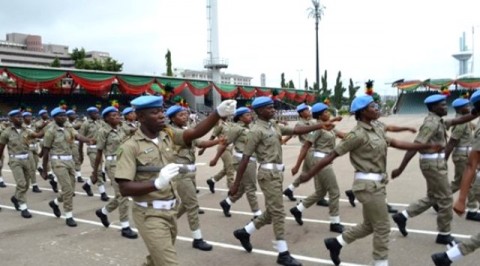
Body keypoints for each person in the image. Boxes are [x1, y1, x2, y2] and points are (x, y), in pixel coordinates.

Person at [297, 95, 442, 266]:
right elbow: (331, 155)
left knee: (369, 225)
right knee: (383, 227)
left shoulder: (377, 128)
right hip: (367, 186)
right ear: (363, 112)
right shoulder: (357, 135)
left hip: (378, 184)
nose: (377, 108)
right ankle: (380, 262)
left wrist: (424, 146)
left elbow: (395, 142)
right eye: (373, 106)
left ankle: (336, 243)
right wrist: (307, 174)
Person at [115, 95, 236, 265]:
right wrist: (156, 184)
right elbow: (124, 188)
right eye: (155, 112)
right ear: (141, 117)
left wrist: (217, 112)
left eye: (161, 111)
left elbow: (194, 133)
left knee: (155, 260)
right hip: (149, 214)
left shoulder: (168, 134)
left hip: (170, 211)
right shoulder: (130, 146)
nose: (161, 115)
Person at [229, 96, 335, 266]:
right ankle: (282, 253)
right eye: (269, 107)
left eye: (273, 107)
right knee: (278, 213)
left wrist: (321, 125)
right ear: (259, 111)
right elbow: (245, 158)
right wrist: (236, 184)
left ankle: (245, 232)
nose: (273, 109)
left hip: (277, 175)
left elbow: (296, 131)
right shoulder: (256, 130)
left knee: (272, 212)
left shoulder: (274, 125)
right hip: (267, 174)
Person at [391, 94, 478, 244]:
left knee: (434, 197)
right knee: (445, 198)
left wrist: (476, 112)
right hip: (432, 164)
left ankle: (403, 216)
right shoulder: (431, 123)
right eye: (442, 105)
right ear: (433, 108)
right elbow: (414, 146)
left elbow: (459, 120)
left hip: (435, 163)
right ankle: (444, 234)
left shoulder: (438, 120)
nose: (445, 107)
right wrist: (400, 168)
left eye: (445, 104)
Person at [431, 90, 480, 265]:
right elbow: (470, 162)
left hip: (467, 159)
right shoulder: (437, 122)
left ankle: (449, 256)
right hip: (462, 158)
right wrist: (461, 199)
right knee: (455, 185)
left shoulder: (470, 122)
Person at [167, 105, 225, 251]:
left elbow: (201, 143)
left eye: (186, 113)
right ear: (172, 118)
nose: (185, 116)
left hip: (190, 173)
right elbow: (196, 133)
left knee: (186, 205)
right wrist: (216, 114)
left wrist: (218, 142)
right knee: (192, 205)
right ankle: (197, 239)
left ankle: (167, 223)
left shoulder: (186, 131)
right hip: (181, 174)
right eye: (181, 115)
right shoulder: (173, 131)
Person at [289, 102, 345, 233]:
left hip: (325, 160)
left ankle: (298, 209)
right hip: (321, 161)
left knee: (320, 192)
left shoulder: (329, 127)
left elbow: (343, 135)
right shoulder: (317, 129)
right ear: (320, 116)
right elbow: (306, 146)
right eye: (325, 112)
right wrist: (297, 165)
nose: (328, 113)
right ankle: (334, 222)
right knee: (334, 191)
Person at [42, 107, 93, 227]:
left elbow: (78, 136)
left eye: (64, 115)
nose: (64, 117)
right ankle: (69, 215)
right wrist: (45, 170)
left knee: (70, 190)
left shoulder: (68, 127)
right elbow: (45, 151)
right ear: (54, 118)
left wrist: (89, 140)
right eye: (61, 115)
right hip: (58, 162)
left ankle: (54, 203)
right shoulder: (50, 131)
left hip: (69, 161)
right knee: (67, 189)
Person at [93, 106, 138, 239]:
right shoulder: (103, 131)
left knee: (122, 194)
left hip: (124, 161)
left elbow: (134, 131)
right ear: (106, 118)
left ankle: (103, 211)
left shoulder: (121, 128)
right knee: (123, 195)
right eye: (113, 115)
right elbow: (99, 152)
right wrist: (95, 172)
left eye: (118, 115)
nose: (117, 117)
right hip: (112, 164)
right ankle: (125, 227)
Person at [210, 107, 262, 219]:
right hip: (242, 160)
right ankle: (257, 213)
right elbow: (224, 143)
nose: (250, 116)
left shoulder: (252, 127)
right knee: (251, 186)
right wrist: (215, 159)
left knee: (243, 186)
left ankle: (227, 202)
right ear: (240, 117)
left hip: (251, 159)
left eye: (250, 114)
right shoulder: (236, 128)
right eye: (247, 115)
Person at [282, 103, 329, 207]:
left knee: (305, 173)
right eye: (307, 110)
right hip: (308, 151)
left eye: (309, 110)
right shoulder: (300, 124)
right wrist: (284, 140)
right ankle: (320, 197)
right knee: (317, 172)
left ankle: (290, 189)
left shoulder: (311, 121)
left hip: (312, 150)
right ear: (302, 113)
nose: (309, 112)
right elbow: (293, 133)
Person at [0, 109, 43, 218]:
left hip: (27, 159)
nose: (19, 118)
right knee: (21, 183)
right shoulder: (6, 132)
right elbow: (1, 148)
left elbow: (37, 135)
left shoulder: (26, 130)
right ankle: (23, 207)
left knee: (27, 184)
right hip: (15, 161)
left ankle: (16, 198)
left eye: (20, 116)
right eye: (16, 117)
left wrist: (48, 128)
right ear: (11, 119)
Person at [444, 97, 480, 221]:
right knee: (467, 182)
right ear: (461, 109)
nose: (469, 107)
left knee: (460, 183)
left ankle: (438, 199)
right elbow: (451, 142)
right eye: (467, 106)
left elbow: (474, 126)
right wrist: (443, 160)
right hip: (462, 156)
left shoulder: (465, 120)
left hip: (467, 154)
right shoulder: (460, 123)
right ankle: (472, 210)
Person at [80, 107, 109, 201]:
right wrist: (80, 152)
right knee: (99, 171)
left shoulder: (101, 122)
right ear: (90, 114)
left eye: (97, 112)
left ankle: (87, 185)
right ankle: (103, 192)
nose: (97, 114)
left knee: (98, 170)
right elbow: (80, 137)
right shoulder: (85, 124)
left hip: (101, 149)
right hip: (92, 149)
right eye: (94, 113)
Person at [202, 117, 235, 193]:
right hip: (223, 149)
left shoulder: (228, 123)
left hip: (230, 148)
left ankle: (212, 180)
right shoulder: (219, 125)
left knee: (227, 168)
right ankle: (231, 189)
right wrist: (203, 149)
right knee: (230, 168)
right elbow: (211, 138)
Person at [35, 109, 58, 192]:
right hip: (42, 141)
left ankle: (45, 169)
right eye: (44, 113)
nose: (46, 114)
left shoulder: (50, 122)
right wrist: (45, 124)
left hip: (51, 141)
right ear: (41, 115)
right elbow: (39, 127)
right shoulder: (38, 122)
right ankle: (48, 171)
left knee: (48, 157)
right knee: (46, 156)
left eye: (46, 113)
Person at [22, 111, 42, 193]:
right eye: (28, 117)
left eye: (30, 116)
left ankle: (26, 178)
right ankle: (34, 185)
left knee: (35, 165)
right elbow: (32, 135)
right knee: (32, 167)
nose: (30, 118)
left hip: (35, 148)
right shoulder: (22, 127)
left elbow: (37, 132)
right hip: (27, 149)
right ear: (24, 118)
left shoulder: (33, 125)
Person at [66, 110, 85, 183]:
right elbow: (74, 128)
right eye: (73, 115)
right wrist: (80, 124)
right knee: (75, 159)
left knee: (80, 158)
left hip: (78, 143)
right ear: (69, 116)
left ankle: (76, 172)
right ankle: (78, 175)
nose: (75, 116)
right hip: (70, 144)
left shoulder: (76, 123)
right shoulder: (67, 124)